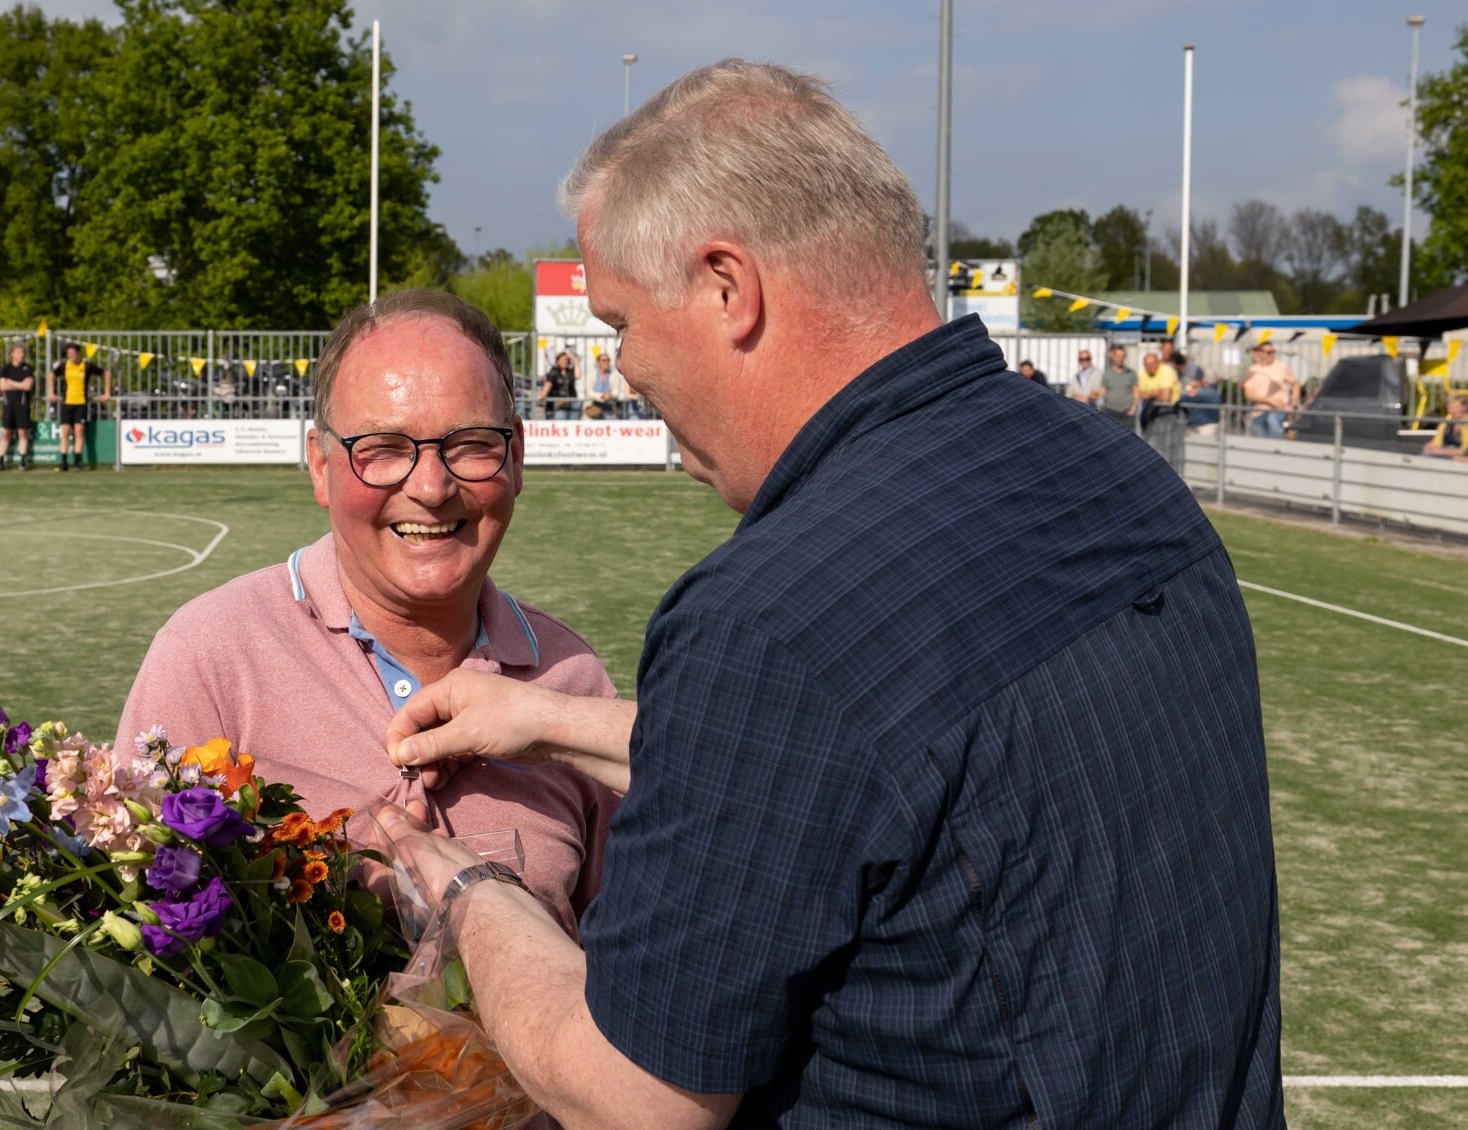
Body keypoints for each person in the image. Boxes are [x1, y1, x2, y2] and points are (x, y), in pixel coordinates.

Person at [375, 59, 1282, 1130]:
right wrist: (546, 717)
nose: (620, 368)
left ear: (726, 287)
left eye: (618, 320)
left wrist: (472, 890)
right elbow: (869, 772)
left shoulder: (772, 610)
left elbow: (636, 1093)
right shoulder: (1118, 473)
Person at [114, 288, 619, 934]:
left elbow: (617, 971)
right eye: (382, 448)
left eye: (469, 444)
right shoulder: (211, 658)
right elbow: (133, 947)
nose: (432, 488)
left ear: (516, 457)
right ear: (320, 468)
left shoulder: (572, 681)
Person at [47, 342, 111, 471]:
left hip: (81, 404)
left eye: (73, 353)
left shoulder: (87, 366)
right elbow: (51, 375)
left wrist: (107, 392)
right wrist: (51, 392)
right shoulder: (64, 366)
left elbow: (106, 373)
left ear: (78, 353)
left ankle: (77, 463)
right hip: (67, 404)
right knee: (65, 432)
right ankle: (64, 463)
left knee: (79, 432)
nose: (71, 356)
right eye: (68, 354)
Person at [1242, 342, 1298, 440]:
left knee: (1272, 421)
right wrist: (1268, 400)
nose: (1271, 355)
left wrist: (1292, 404)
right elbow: (1248, 394)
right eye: (1268, 352)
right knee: (1261, 439)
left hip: (1279, 409)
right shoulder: (1253, 370)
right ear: (1260, 353)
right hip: (1259, 411)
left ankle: (1276, 450)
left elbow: (1295, 384)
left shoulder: (1281, 367)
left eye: (1273, 352)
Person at [0, 343, 36, 471]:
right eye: (18, 352)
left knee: (22, 433)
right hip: (9, 406)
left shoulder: (27, 368)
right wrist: (20, 384)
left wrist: (11, 382)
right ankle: (0, 460)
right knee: (6, 433)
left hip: (22, 406)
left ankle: (22, 460)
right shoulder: (6, 369)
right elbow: (2, 387)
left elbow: (27, 386)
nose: (21, 355)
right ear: (12, 354)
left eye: (23, 352)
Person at [1178, 352, 1222, 437]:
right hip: (1207, 426)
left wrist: (1188, 387)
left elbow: (1182, 397)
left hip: (1205, 427)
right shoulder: (1212, 391)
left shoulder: (1205, 392)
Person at [1098, 342, 1137, 425]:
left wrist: (1133, 408)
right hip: (1110, 411)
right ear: (1113, 357)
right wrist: (1101, 408)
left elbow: (1136, 393)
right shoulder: (1107, 374)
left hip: (1127, 412)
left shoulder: (1131, 373)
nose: (1120, 359)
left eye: (1123, 356)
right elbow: (1102, 392)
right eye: (1118, 356)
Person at [1421, 394, 1468, 460]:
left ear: (1464, 407)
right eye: (1450, 408)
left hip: (1459, 457)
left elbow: (1463, 451)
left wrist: (1441, 452)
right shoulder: (1446, 423)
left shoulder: (1466, 423)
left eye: (1456, 408)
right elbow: (1437, 442)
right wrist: (1430, 446)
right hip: (1447, 454)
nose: (1453, 411)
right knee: (1425, 454)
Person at [539, 350, 580, 420]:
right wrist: (543, 394)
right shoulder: (554, 371)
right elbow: (548, 384)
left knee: (574, 423)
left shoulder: (570, 371)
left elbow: (578, 375)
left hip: (572, 400)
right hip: (559, 402)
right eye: (562, 360)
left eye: (566, 360)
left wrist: (574, 360)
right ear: (558, 361)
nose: (565, 361)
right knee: (560, 420)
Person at [586, 352, 620, 418]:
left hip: (609, 408)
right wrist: (602, 395)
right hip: (594, 408)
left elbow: (616, 391)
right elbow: (589, 392)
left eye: (608, 360)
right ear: (598, 362)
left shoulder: (614, 374)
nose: (606, 362)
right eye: (604, 360)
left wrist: (611, 395)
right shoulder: (591, 374)